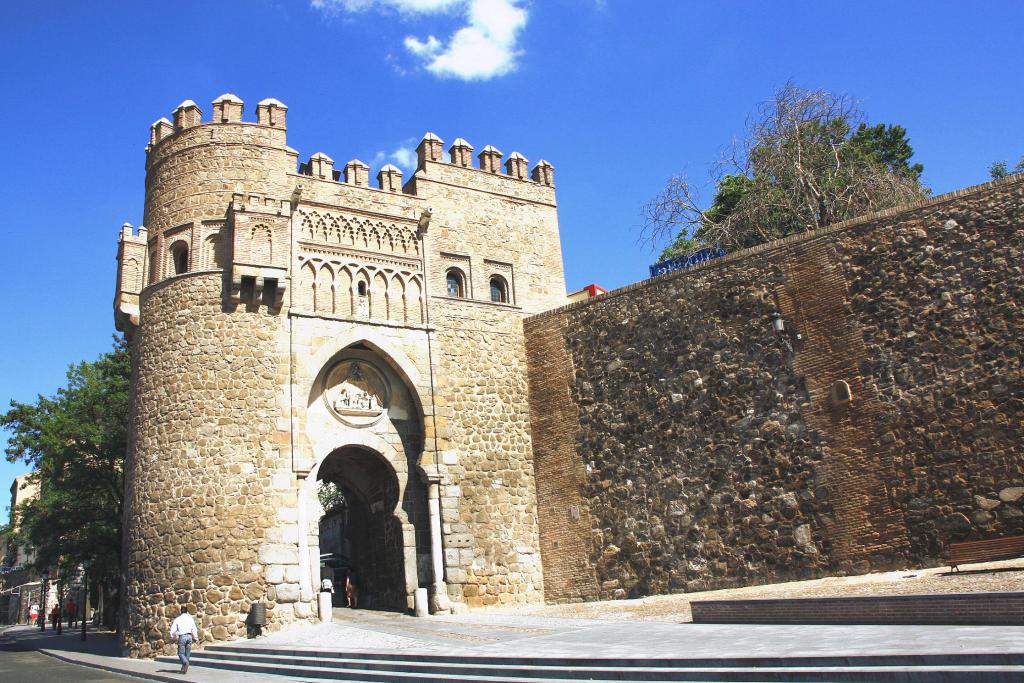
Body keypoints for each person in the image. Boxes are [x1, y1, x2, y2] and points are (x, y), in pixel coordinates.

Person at [169, 606, 199, 674]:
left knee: (180, 653)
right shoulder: (190, 618)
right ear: (186, 611)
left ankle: (185, 663)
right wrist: (196, 637)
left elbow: (173, 628)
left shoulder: (178, 619)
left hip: (182, 636)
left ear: (181, 611)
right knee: (187, 653)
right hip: (189, 636)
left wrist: (171, 635)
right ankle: (184, 668)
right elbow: (194, 628)